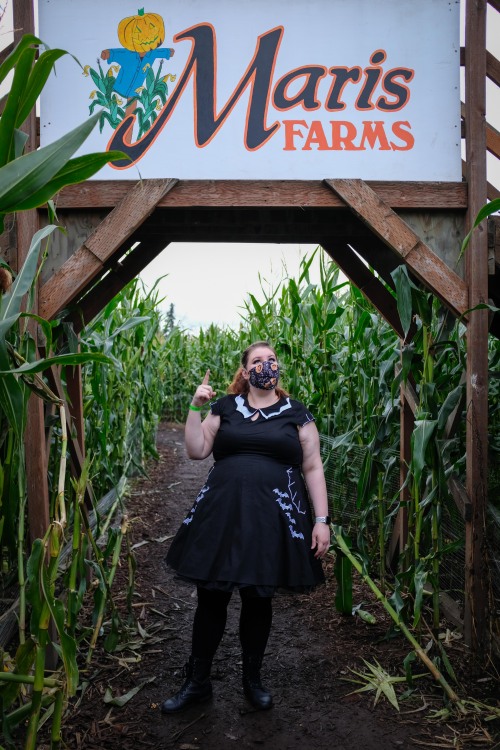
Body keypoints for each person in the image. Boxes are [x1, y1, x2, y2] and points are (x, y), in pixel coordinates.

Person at [162, 341, 331, 714]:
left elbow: (313, 467)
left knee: (258, 597)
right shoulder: (225, 407)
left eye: (271, 360)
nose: (265, 366)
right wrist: (195, 406)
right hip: (221, 514)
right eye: (257, 361)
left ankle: (252, 680)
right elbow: (196, 450)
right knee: (212, 596)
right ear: (244, 371)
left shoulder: (296, 413)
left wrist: (321, 520)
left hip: (273, 519)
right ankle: (197, 682)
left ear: (278, 370)